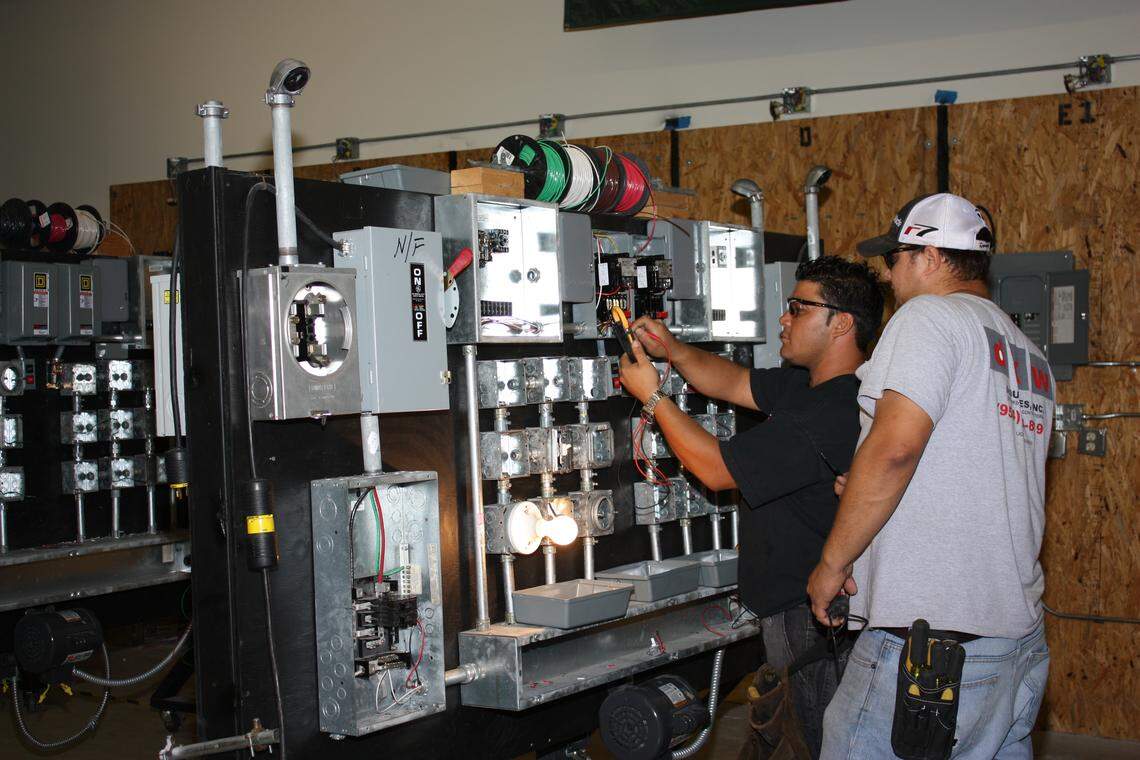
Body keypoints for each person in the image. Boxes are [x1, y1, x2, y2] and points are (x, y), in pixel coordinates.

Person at [807, 193, 1054, 759]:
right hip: (1012, 641)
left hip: (931, 642)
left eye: (893, 259)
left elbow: (894, 450)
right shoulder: (1022, 350)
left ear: (927, 255)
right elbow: (971, 470)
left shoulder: (928, 317)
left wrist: (832, 563)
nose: (890, 277)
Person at [619, 255, 885, 759]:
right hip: (793, 617)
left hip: (810, 623)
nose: (783, 319)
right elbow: (732, 382)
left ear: (842, 323)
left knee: (808, 743)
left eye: (798, 308)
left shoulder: (832, 412)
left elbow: (716, 469)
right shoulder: (810, 388)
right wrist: (672, 350)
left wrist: (654, 399)